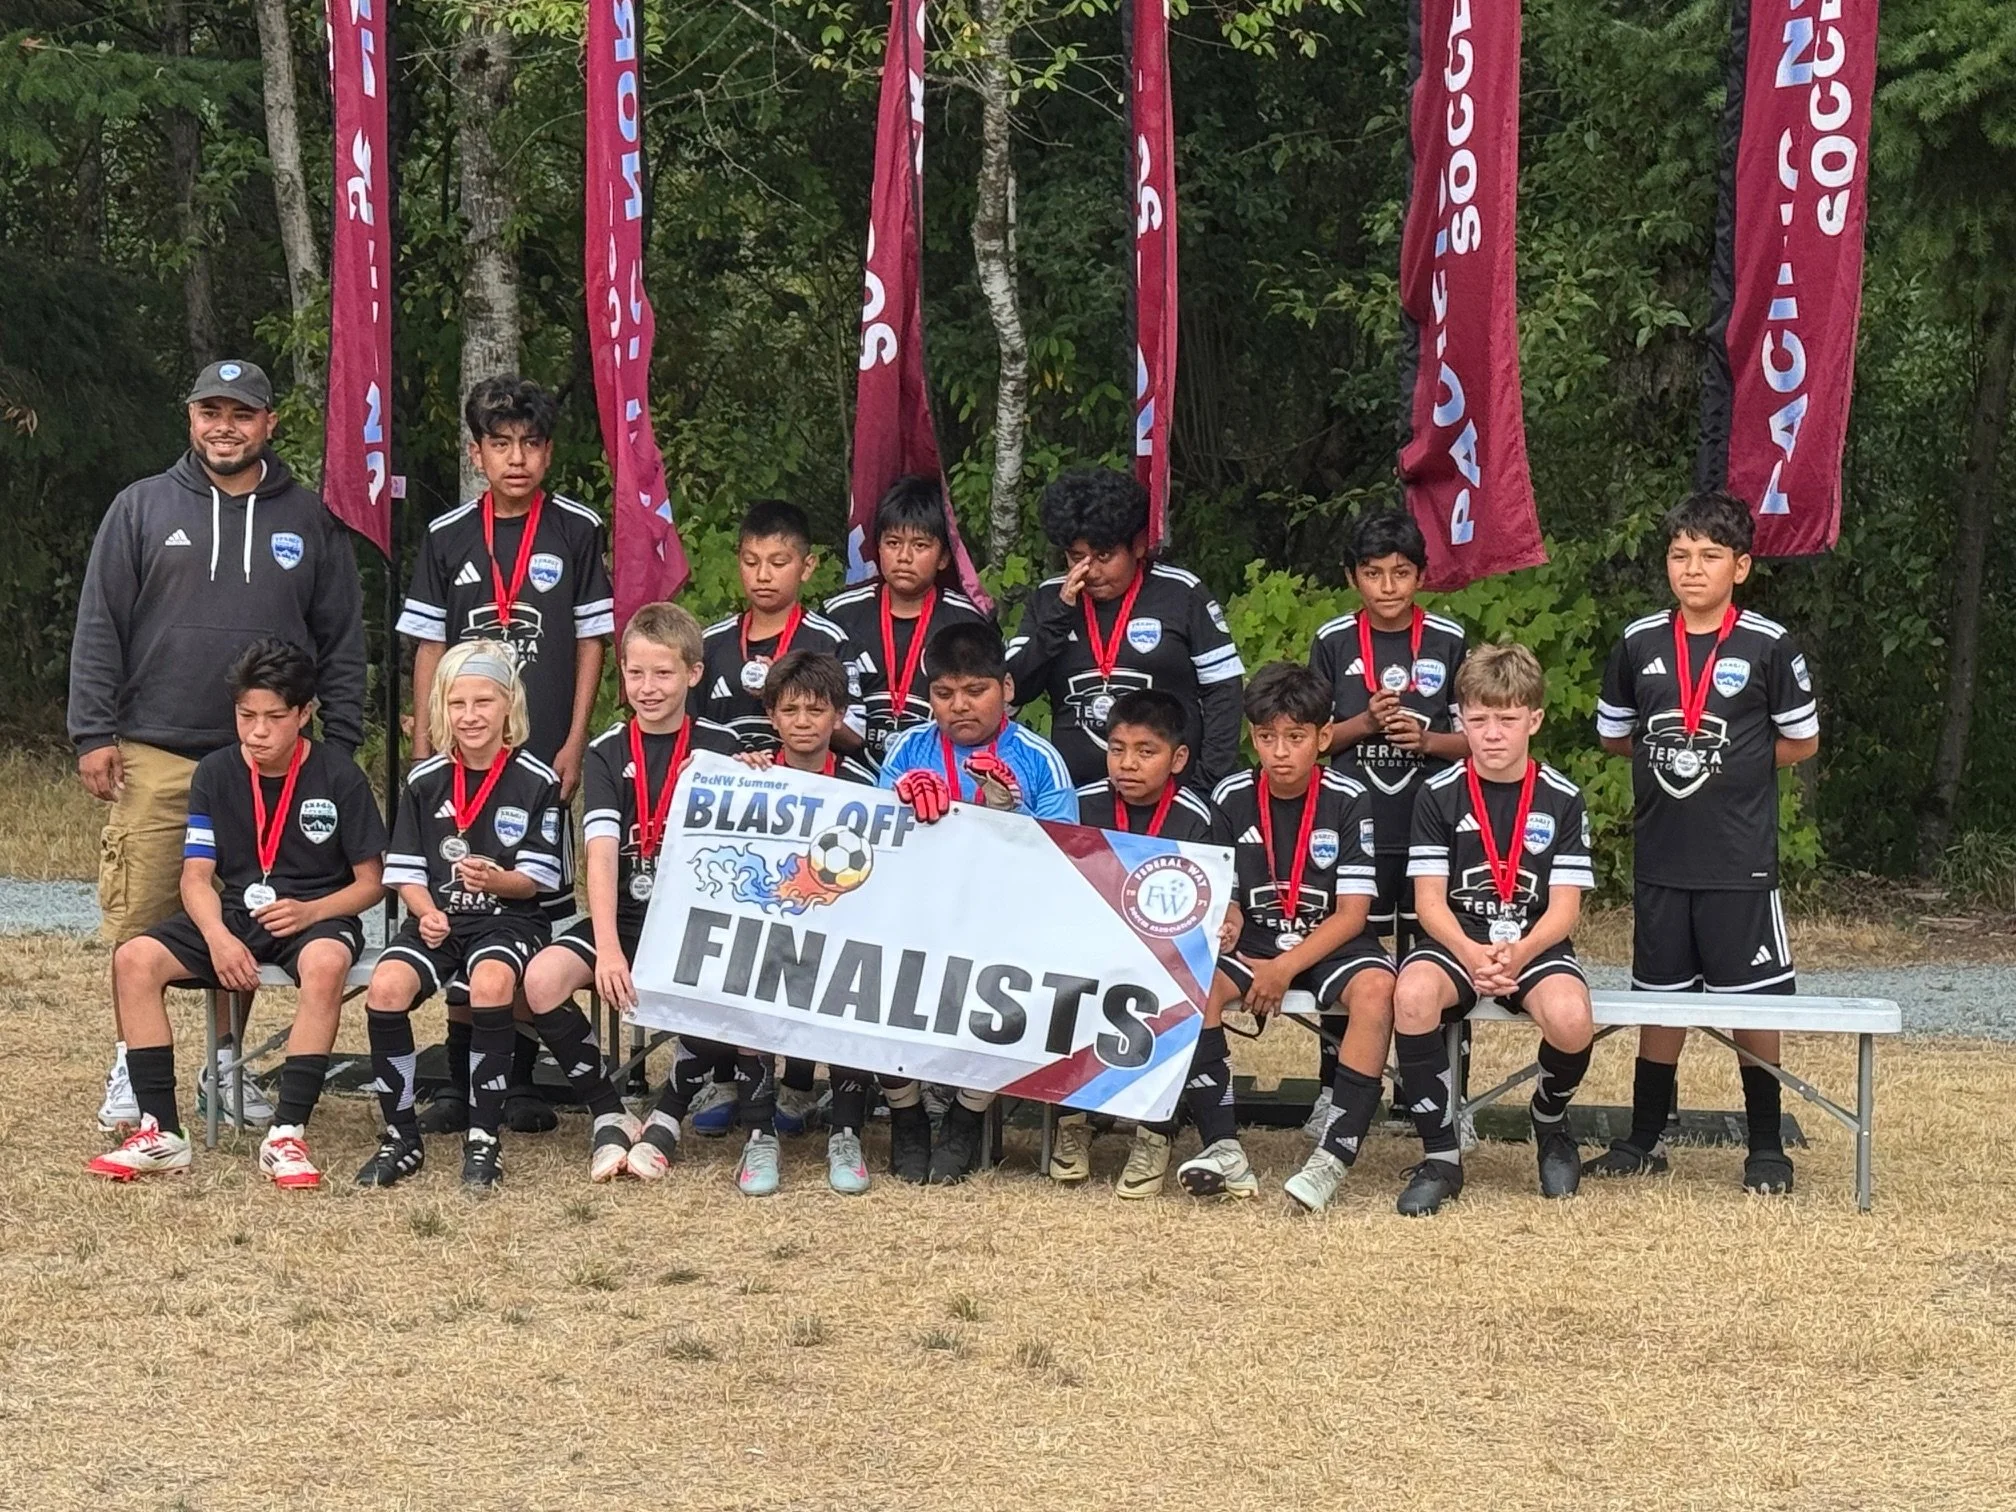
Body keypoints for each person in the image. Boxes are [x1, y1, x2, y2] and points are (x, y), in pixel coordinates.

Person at [70, 359, 366, 1133]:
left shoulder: (309, 517)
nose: (224, 426)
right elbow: (100, 624)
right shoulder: (141, 507)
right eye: (210, 411)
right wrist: (93, 731)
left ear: (269, 423)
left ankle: (226, 1066)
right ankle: (134, 1070)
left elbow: (340, 638)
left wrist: (345, 737)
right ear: (190, 417)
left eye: (241, 413)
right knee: (146, 914)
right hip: (159, 747)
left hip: (270, 758)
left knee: (252, 905)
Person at [395, 375, 614, 1135]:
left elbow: (591, 640)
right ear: (476, 452)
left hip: (539, 752)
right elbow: (428, 639)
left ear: (548, 452)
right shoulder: (446, 532)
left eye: (529, 444)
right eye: (500, 444)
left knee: (529, 907)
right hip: (463, 748)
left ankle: (518, 1076)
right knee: (460, 896)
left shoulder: (577, 527)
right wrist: (426, 739)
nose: (515, 459)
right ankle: (457, 1078)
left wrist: (574, 740)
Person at [85, 640, 385, 1187]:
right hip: (235, 913)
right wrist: (219, 937)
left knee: (324, 966)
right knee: (133, 960)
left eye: (274, 717)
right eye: (247, 716)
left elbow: (371, 883)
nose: (258, 732)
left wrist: (312, 909)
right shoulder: (217, 772)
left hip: (316, 915)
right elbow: (196, 876)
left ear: (305, 714)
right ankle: (162, 1133)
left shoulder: (339, 775)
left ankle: (288, 1134)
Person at [1587, 491, 1821, 1194]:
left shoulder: (1769, 645)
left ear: (1741, 566)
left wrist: (1732, 760)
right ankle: (1643, 1139)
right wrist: (1678, 752)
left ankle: (1766, 1147)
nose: (1692, 569)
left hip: (1738, 860)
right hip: (1663, 855)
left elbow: (1801, 740)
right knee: (1661, 1001)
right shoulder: (1637, 642)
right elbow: (1613, 734)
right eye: (1680, 555)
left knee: (1754, 1003)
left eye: (1710, 556)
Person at [524, 602, 743, 1185]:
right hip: (622, 918)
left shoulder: (723, 747)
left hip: (695, 924)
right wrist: (608, 947)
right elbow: (599, 852)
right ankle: (609, 1112)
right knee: (542, 980)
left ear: (694, 674)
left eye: (663, 673)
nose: (647, 688)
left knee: (725, 995)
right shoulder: (606, 749)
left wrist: (756, 775)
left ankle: (669, 1115)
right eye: (636, 673)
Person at [1389, 643, 1597, 1215]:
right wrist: (1472, 951)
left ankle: (1550, 1120)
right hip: (1457, 939)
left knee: (1574, 1019)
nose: (1493, 734)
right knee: (1410, 996)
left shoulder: (1562, 796)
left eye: (1507, 719)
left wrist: (1519, 951)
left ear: (1535, 718)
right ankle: (1440, 1155)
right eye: (1477, 720)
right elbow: (1429, 903)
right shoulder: (1437, 793)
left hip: (1534, 941)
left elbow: (1564, 909)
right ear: (1459, 721)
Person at [357, 642, 566, 1191]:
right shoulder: (425, 779)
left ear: (509, 706)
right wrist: (425, 911)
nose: (469, 715)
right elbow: (403, 871)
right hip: (441, 919)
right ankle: (401, 1137)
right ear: (441, 710)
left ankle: (483, 1137)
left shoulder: (537, 779)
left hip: (509, 920)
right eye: (456, 703)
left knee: (491, 982)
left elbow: (538, 879)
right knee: (385, 987)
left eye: (482, 701)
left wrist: (499, 881)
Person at [1187, 663, 1395, 1206]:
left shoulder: (1349, 797)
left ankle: (1333, 1156)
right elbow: (1224, 889)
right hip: (1257, 941)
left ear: (1324, 737)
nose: (1280, 751)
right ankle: (1223, 1147)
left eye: (1296, 738)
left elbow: (1353, 913)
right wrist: (1229, 915)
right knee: (1195, 982)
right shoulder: (1232, 795)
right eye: (1266, 737)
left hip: (1331, 942)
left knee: (1376, 990)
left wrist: (1285, 968)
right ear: (1252, 737)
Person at [878, 620, 1077, 1184]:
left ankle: (967, 1117)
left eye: (975, 691)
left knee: (1019, 989)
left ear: (1007, 688)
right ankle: (906, 1114)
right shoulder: (908, 749)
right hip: (918, 918)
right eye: (944, 694)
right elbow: (864, 839)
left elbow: (1067, 856)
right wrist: (896, 804)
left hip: (1006, 923)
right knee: (872, 975)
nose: (959, 706)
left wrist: (1008, 816)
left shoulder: (1039, 758)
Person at [1306, 510, 1470, 1140]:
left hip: (1431, 828)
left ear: (1421, 576)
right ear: (1353, 577)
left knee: (1436, 964)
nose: (1388, 586)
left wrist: (1428, 740)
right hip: (1354, 830)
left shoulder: (1449, 640)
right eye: (1372, 573)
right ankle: (1333, 1092)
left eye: (1401, 573)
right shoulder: (1333, 641)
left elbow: (1479, 740)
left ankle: (1443, 1098)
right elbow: (1310, 740)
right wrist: (1366, 725)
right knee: (1354, 966)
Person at [1050, 687, 1218, 1195]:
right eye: (1117, 748)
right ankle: (1070, 1121)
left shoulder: (1197, 816)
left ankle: (1155, 1130)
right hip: (1089, 946)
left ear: (1178, 758)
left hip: (1164, 956)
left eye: (1146, 752)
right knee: (1061, 980)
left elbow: (1206, 902)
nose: (1128, 763)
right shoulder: (1080, 804)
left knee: (1179, 990)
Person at [733, 650, 884, 1196]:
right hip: (769, 926)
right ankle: (758, 1133)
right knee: (750, 1009)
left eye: (816, 710)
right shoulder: (751, 776)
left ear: (838, 716)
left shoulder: (863, 786)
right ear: (771, 715)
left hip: (839, 931)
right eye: (790, 709)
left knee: (851, 1011)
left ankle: (845, 1131)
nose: (802, 722)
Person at [1006, 468, 1244, 790]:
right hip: (1076, 799)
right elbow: (1013, 689)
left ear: (1139, 545)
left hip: (1173, 799)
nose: (1090, 570)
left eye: (1104, 555)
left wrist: (1204, 785)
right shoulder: (1050, 598)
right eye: (1077, 557)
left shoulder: (1182, 593)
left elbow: (1224, 693)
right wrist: (1059, 616)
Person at [821, 475, 992, 767]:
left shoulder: (967, 623)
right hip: (849, 781)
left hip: (939, 778)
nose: (904, 556)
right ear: (878, 548)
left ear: (943, 558)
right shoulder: (839, 615)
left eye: (920, 545)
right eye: (893, 542)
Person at [695, 498, 864, 755]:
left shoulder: (827, 641)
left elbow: (855, 734)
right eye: (751, 562)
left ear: (807, 567)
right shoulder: (711, 642)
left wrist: (787, 691)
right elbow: (687, 728)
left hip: (799, 788)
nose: (763, 575)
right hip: (727, 788)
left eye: (778, 564)